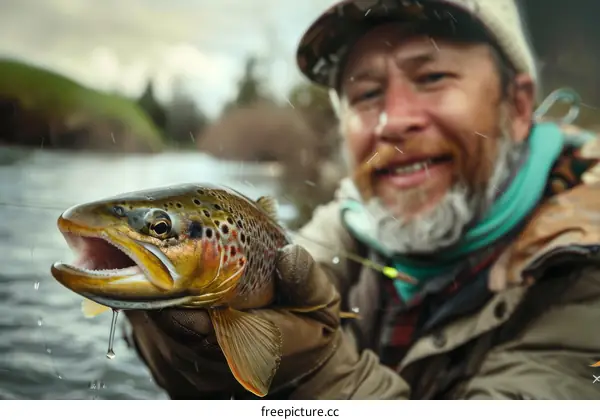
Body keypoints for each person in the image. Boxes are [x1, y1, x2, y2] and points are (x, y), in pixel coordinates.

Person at [124, 0, 600, 399]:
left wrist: (308, 372)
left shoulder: (586, 269)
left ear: (517, 108)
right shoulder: (345, 227)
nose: (391, 122)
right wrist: (176, 339)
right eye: (367, 93)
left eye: (432, 76)